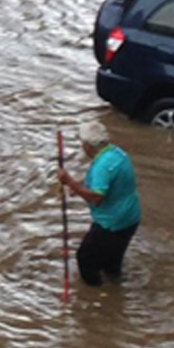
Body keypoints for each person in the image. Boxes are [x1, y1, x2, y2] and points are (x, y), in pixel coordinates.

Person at [57, 121, 141, 286]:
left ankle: (96, 293)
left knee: (85, 258)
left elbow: (96, 198)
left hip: (112, 223)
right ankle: (116, 287)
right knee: (112, 262)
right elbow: (105, 182)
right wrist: (81, 185)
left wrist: (71, 183)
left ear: (88, 146)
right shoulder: (117, 154)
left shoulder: (102, 166)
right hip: (130, 218)